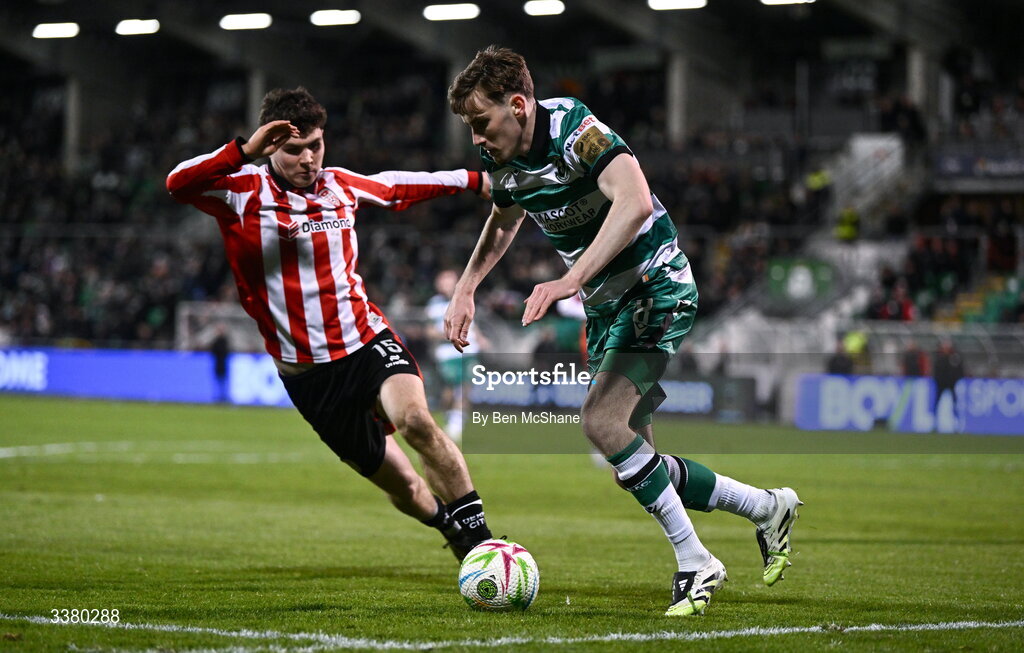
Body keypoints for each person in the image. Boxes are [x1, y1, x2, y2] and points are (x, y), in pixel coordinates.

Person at [442, 46, 801, 617]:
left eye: (482, 121)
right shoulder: (502, 161)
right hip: (610, 307)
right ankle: (765, 507)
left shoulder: (574, 130)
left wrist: (570, 279)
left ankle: (697, 562)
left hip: (655, 285)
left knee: (601, 422)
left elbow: (633, 203)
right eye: (470, 126)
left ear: (519, 105)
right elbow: (503, 220)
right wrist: (466, 287)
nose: (476, 137)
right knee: (632, 463)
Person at [166, 87, 494, 561]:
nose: (308, 159)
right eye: (294, 149)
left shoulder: (339, 185)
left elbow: (395, 185)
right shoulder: (242, 191)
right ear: (270, 146)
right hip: (311, 378)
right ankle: (449, 527)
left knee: (416, 420)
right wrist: (243, 150)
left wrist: (471, 179)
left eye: (315, 145)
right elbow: (178, 183)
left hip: (365, 341)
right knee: (405, 486)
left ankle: (483, 542)